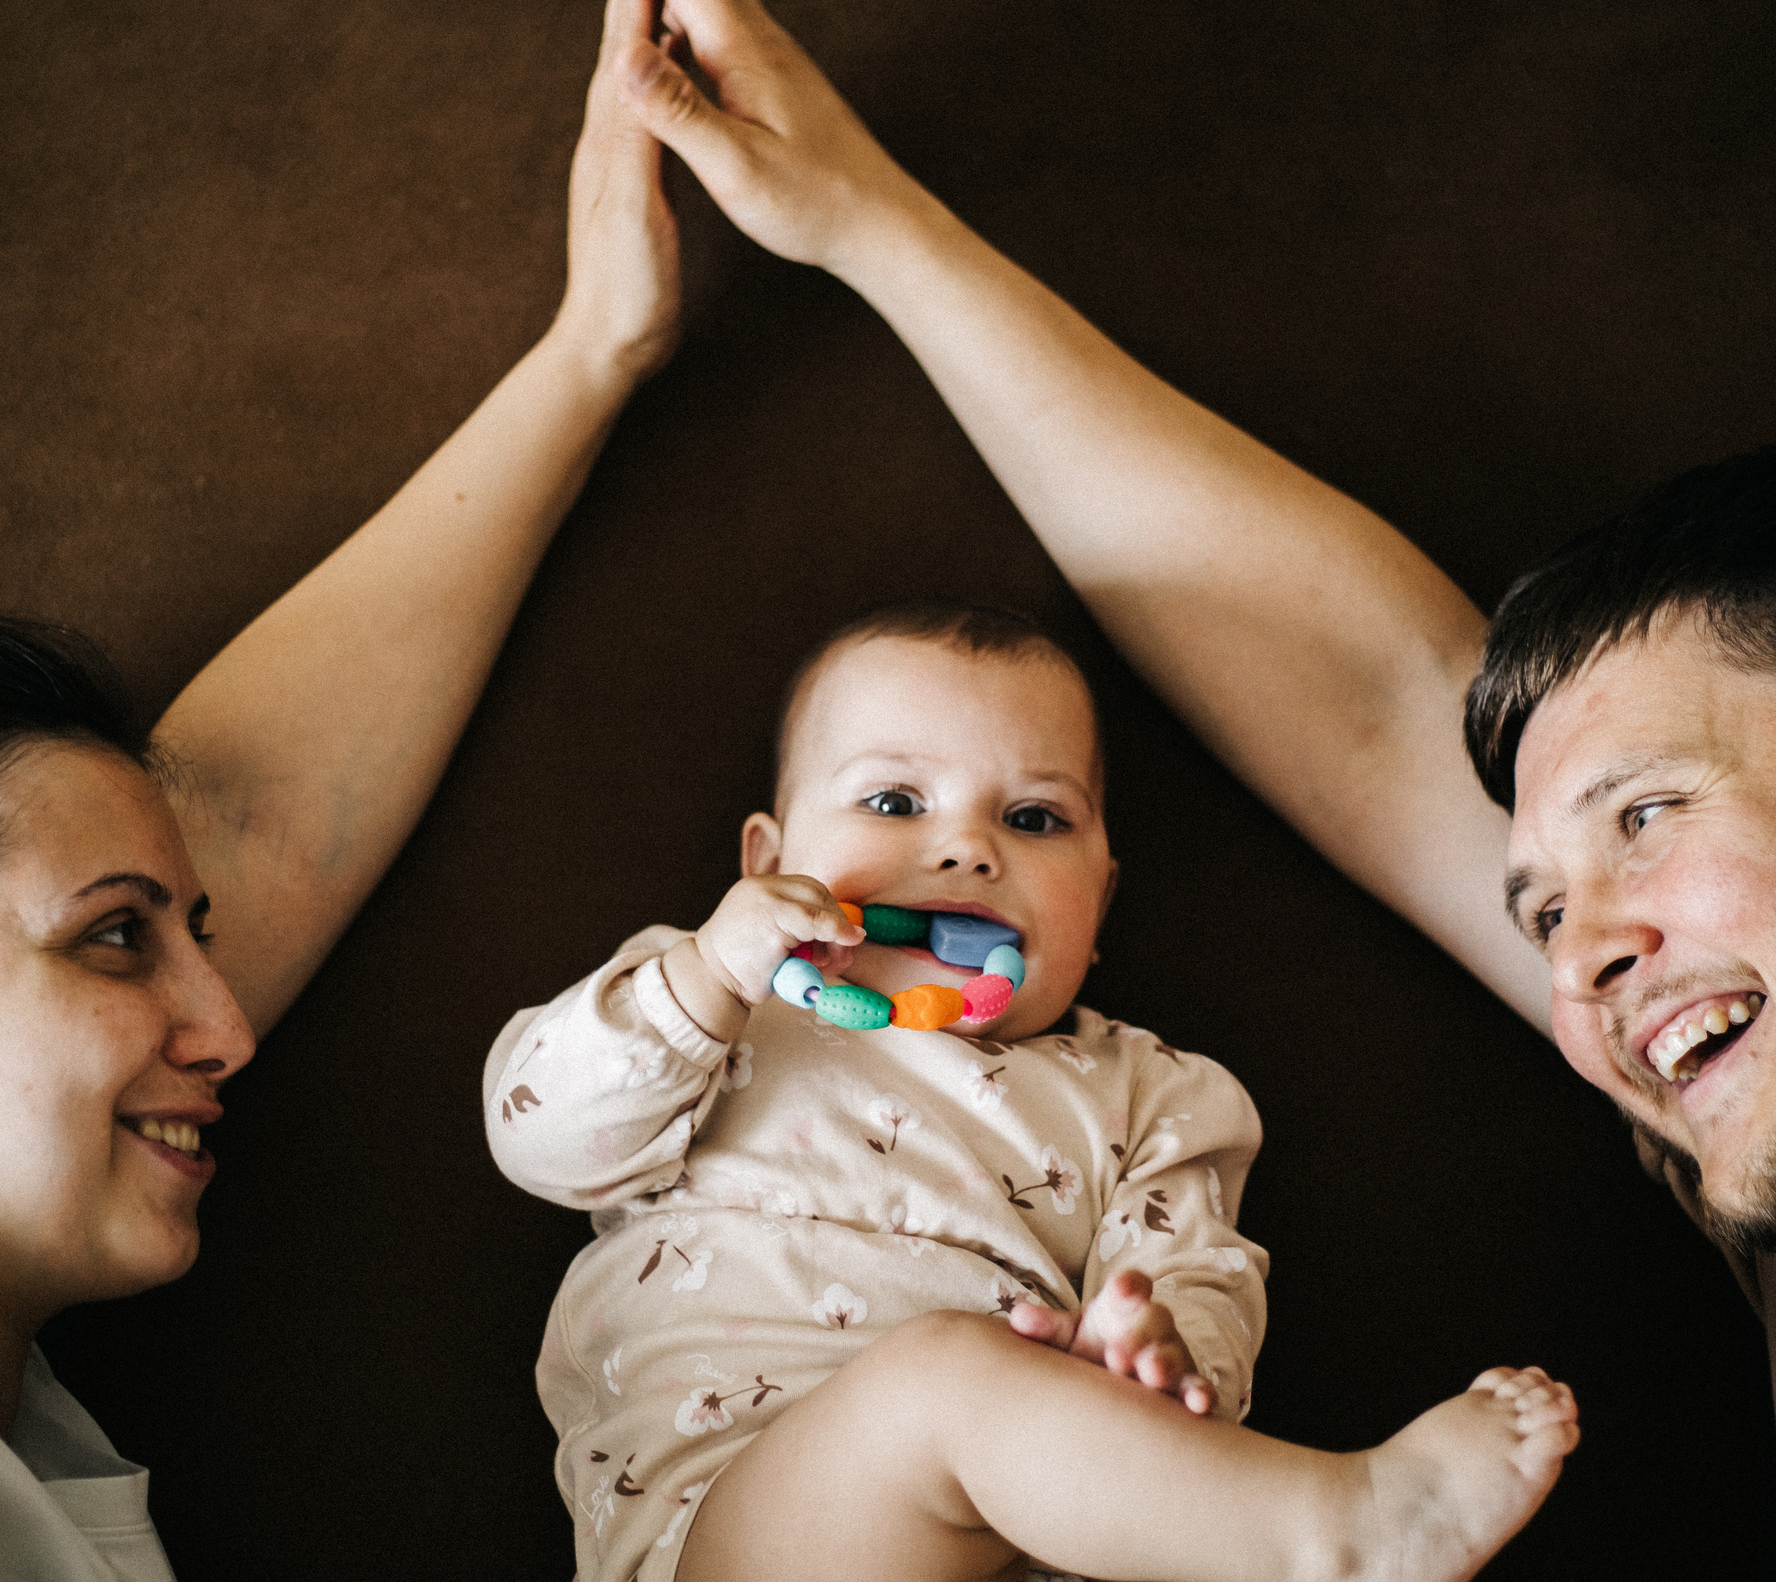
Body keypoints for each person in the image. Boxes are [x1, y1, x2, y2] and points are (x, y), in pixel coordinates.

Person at [587, 0, 1776, 1576]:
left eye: (1647, 815)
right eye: (1544, 906)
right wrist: (860, 222)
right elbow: (1359, 697)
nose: (1585, 968)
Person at [0, 0, 683, 1582]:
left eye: (186, 925)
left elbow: (239, 812)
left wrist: (593, 348)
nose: (232, 1019)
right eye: (121, 935)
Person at [486, 598, 1579, 1582]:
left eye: (1034, 819)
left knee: (996, 1395)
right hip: (735, 1535)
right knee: (946, 1381)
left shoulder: (1154, 1094)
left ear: (1098, 904)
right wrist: (710, 972)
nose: (964, 849)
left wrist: (1156, 1362)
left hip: (1046, 1548)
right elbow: (542, 1139)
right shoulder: (705, 1007)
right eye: (893, 799)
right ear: (770, 856)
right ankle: (1345, 1535)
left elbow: (1194, 1289)